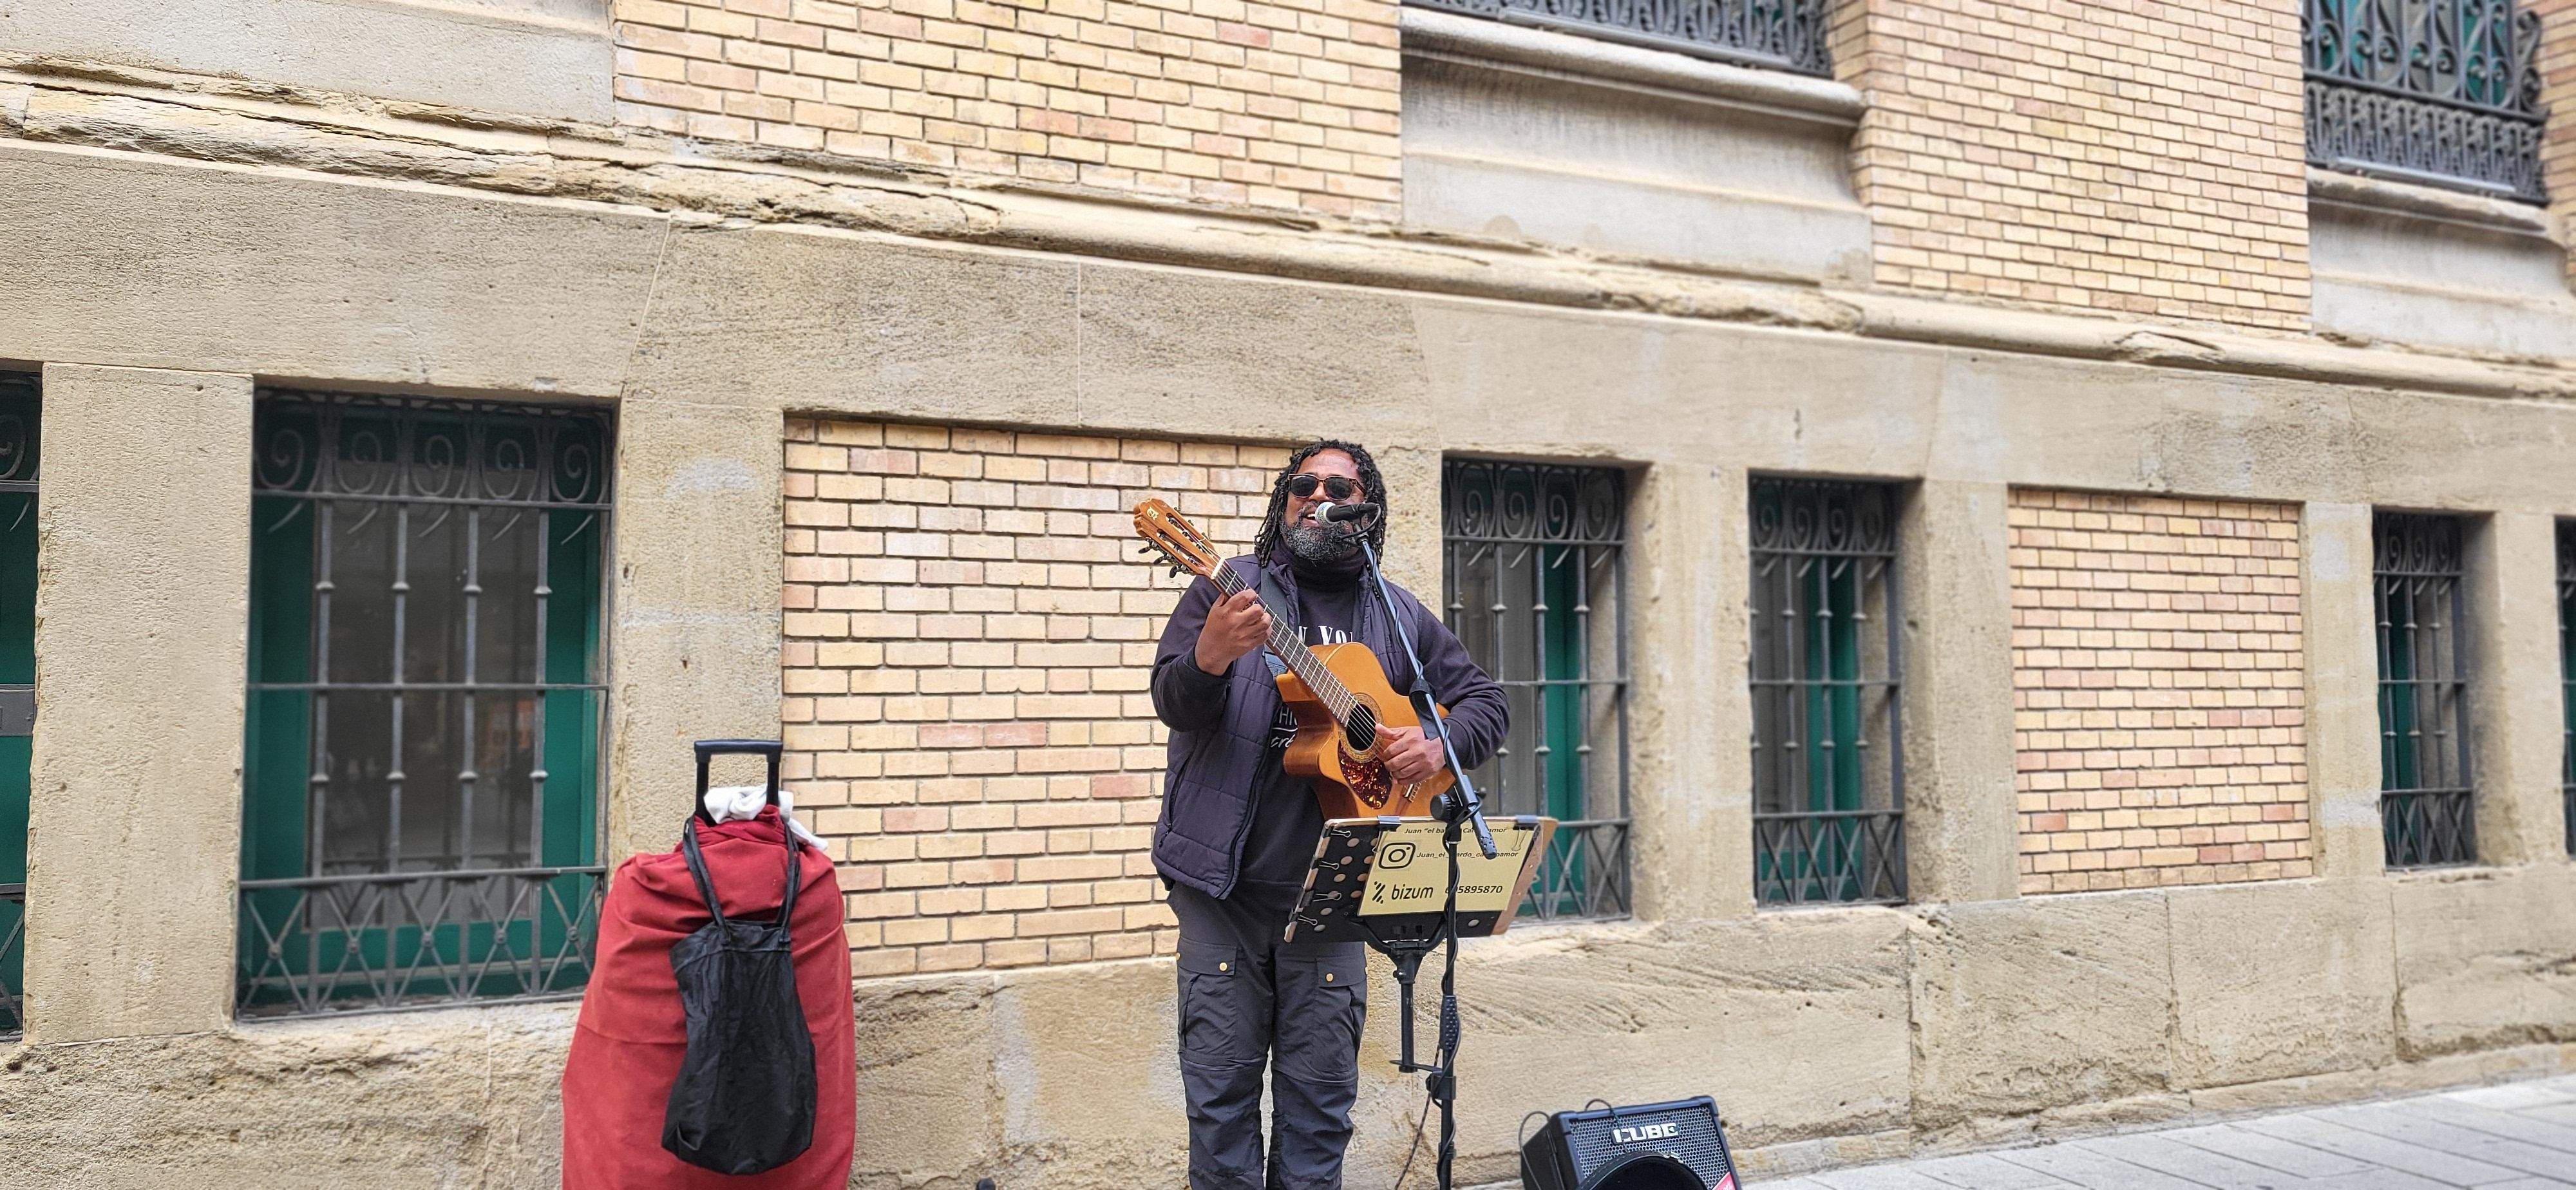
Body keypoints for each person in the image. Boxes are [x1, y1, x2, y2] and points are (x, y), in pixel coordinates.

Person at [1150, 439, 1510, 1190]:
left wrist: (1434, 750)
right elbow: (1173, 705)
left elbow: (1485, 704)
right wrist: (1210, 656)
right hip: (1226, 891)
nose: (1316, 496)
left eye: (1336, 487)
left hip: (1335, 902)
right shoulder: (1228, 592)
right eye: (1301, 486)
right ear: (1283, 506)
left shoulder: (1393, 610)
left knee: (1318, 1117)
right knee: (1220, 1111)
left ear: (1364, 510)